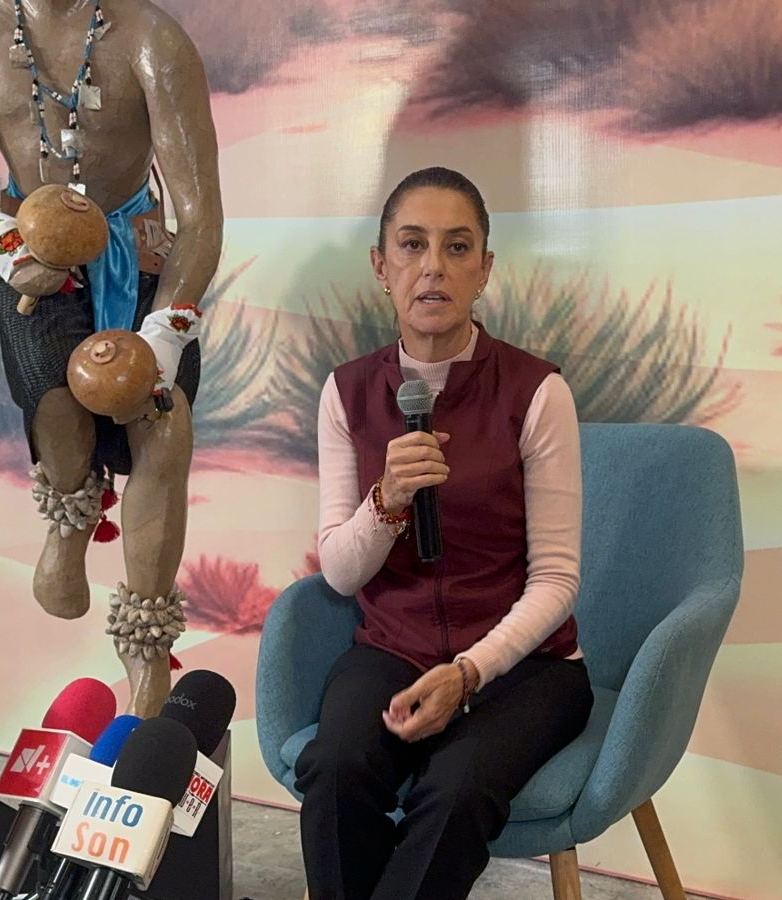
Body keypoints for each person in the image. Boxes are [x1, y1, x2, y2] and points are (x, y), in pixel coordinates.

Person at [0, 0, 223, 716]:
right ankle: (70, 511)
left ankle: (146, 651)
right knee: (53, 400)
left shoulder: (154, 40)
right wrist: (0, 245)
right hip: (27, 244)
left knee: (163, 424)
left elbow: (201, 214)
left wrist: (164, 332)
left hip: (140, 253)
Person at [296, 167, 594, 900]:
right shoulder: (346, 391)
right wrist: (388, 499)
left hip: (527, 668)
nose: (433, 266)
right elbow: (341, 572)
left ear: (483, 269)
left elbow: (557, 579)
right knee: (335, 771)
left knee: (455, 792)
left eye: (457, 247)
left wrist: (469, 672)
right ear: (381, 266)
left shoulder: (536, 391)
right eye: (413, 244)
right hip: (390, 650)